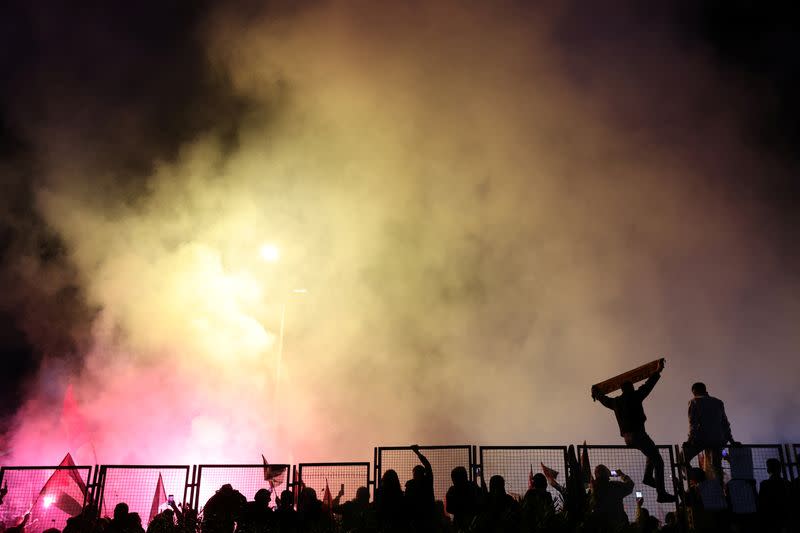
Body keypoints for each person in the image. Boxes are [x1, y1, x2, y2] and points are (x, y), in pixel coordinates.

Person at [591, 359, 676, 502]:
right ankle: (660, 493)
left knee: (652, 451)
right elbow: (649, 385)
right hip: (639, 435)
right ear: (631, 388)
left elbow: (605, 400)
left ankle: (648, 477)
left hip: (628, 438)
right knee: (659, 462)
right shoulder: (636, 396)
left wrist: (596, 393)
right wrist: (658, 371)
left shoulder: (616, 402)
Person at [681, 382, 738, 483]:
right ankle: (720, 488)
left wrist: (690, 440)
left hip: (701, 440)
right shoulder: (718, 402)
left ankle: (699, 478)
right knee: (716, 467)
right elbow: (725, 424)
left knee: (681, 458)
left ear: (694, 391)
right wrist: (731, 440)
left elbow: (693, 424)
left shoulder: (694, 402)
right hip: (718, 440)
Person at [588, 465, 634, 531]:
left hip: (599, 526)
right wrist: (622, 475)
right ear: (608, 474)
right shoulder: (614, 486)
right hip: (617, 526)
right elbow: (630, 485)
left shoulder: (591, 489)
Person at [404, 445, 435, 531]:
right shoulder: (427, 481)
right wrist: (417, 452)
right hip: (427, 516)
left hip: (416, 518)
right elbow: (428, 466)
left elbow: (406, 500)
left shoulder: (411, 484)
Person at [758, 458, 791, 532]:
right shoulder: (787, 483)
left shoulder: (764, 484)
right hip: (784, 518)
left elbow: (761, 502)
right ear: (780, 469)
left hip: (770, 519)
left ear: (768, 469)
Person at [445, 466, 481, 532]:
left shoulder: (452, 490)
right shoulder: (473, 487)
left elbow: (449, 508)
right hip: (473, 521)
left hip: (458, 522)